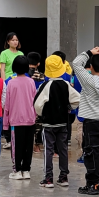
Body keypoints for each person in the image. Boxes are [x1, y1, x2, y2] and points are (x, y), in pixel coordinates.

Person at [72, 47, 99, 195]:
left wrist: (90, 52)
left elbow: (76, 63)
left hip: (92, 122)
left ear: (91, 67)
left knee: (92, 153)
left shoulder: (88, 80)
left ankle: (93, 184)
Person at [34, 55, 79, 188]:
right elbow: (77, 99)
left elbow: (37, 104)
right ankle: (63, 177)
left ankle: (48, 178)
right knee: (63, 149)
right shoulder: (66, 84)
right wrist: (69, 108)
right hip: (63, 123)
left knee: (48, 150)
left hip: (48, 123)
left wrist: (43, 113)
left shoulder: (45, 85)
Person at [3, 55, 37, 180]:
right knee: (28, 146)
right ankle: (26, 170)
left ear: (14, 68)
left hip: (16, 120)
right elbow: (35, 99)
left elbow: (7, 104)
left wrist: (5, 123)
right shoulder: (31, 82)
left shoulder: (11, 83)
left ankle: (17, 170)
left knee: (16, 146)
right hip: (30, 119)